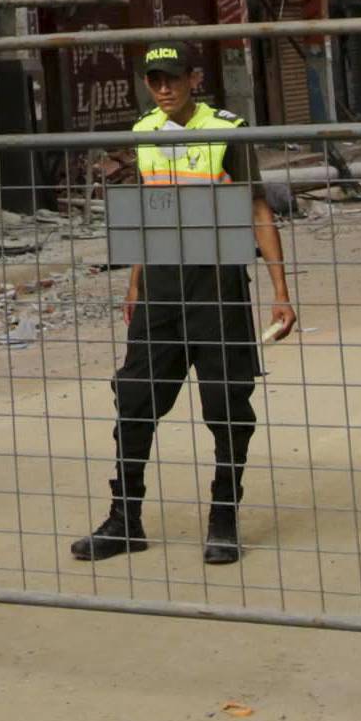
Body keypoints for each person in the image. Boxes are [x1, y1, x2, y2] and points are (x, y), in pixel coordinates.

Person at [72, 40, 296, 568]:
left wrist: (280, 293)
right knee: (133, 401)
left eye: (173, 78)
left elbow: (258, 207)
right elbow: (148, 216)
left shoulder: (227, 130)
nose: (165, 88)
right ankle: (124, 517)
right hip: (161, 292)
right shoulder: (143, 133)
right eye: (155, 80)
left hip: (218, 288)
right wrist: (135, 285)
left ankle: (224, 516)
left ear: (194, 78)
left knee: (226, 405)